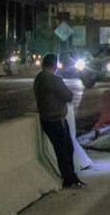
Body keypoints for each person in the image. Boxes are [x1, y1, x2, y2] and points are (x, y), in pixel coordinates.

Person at [34, 53, 84, 188]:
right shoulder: (54, 80)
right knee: (65, 150)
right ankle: (69, 178)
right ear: (55, 65)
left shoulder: (39, 78)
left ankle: (70, 177)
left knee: (62, 149)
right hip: (57, 119)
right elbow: (68, 96)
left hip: (46, 119)